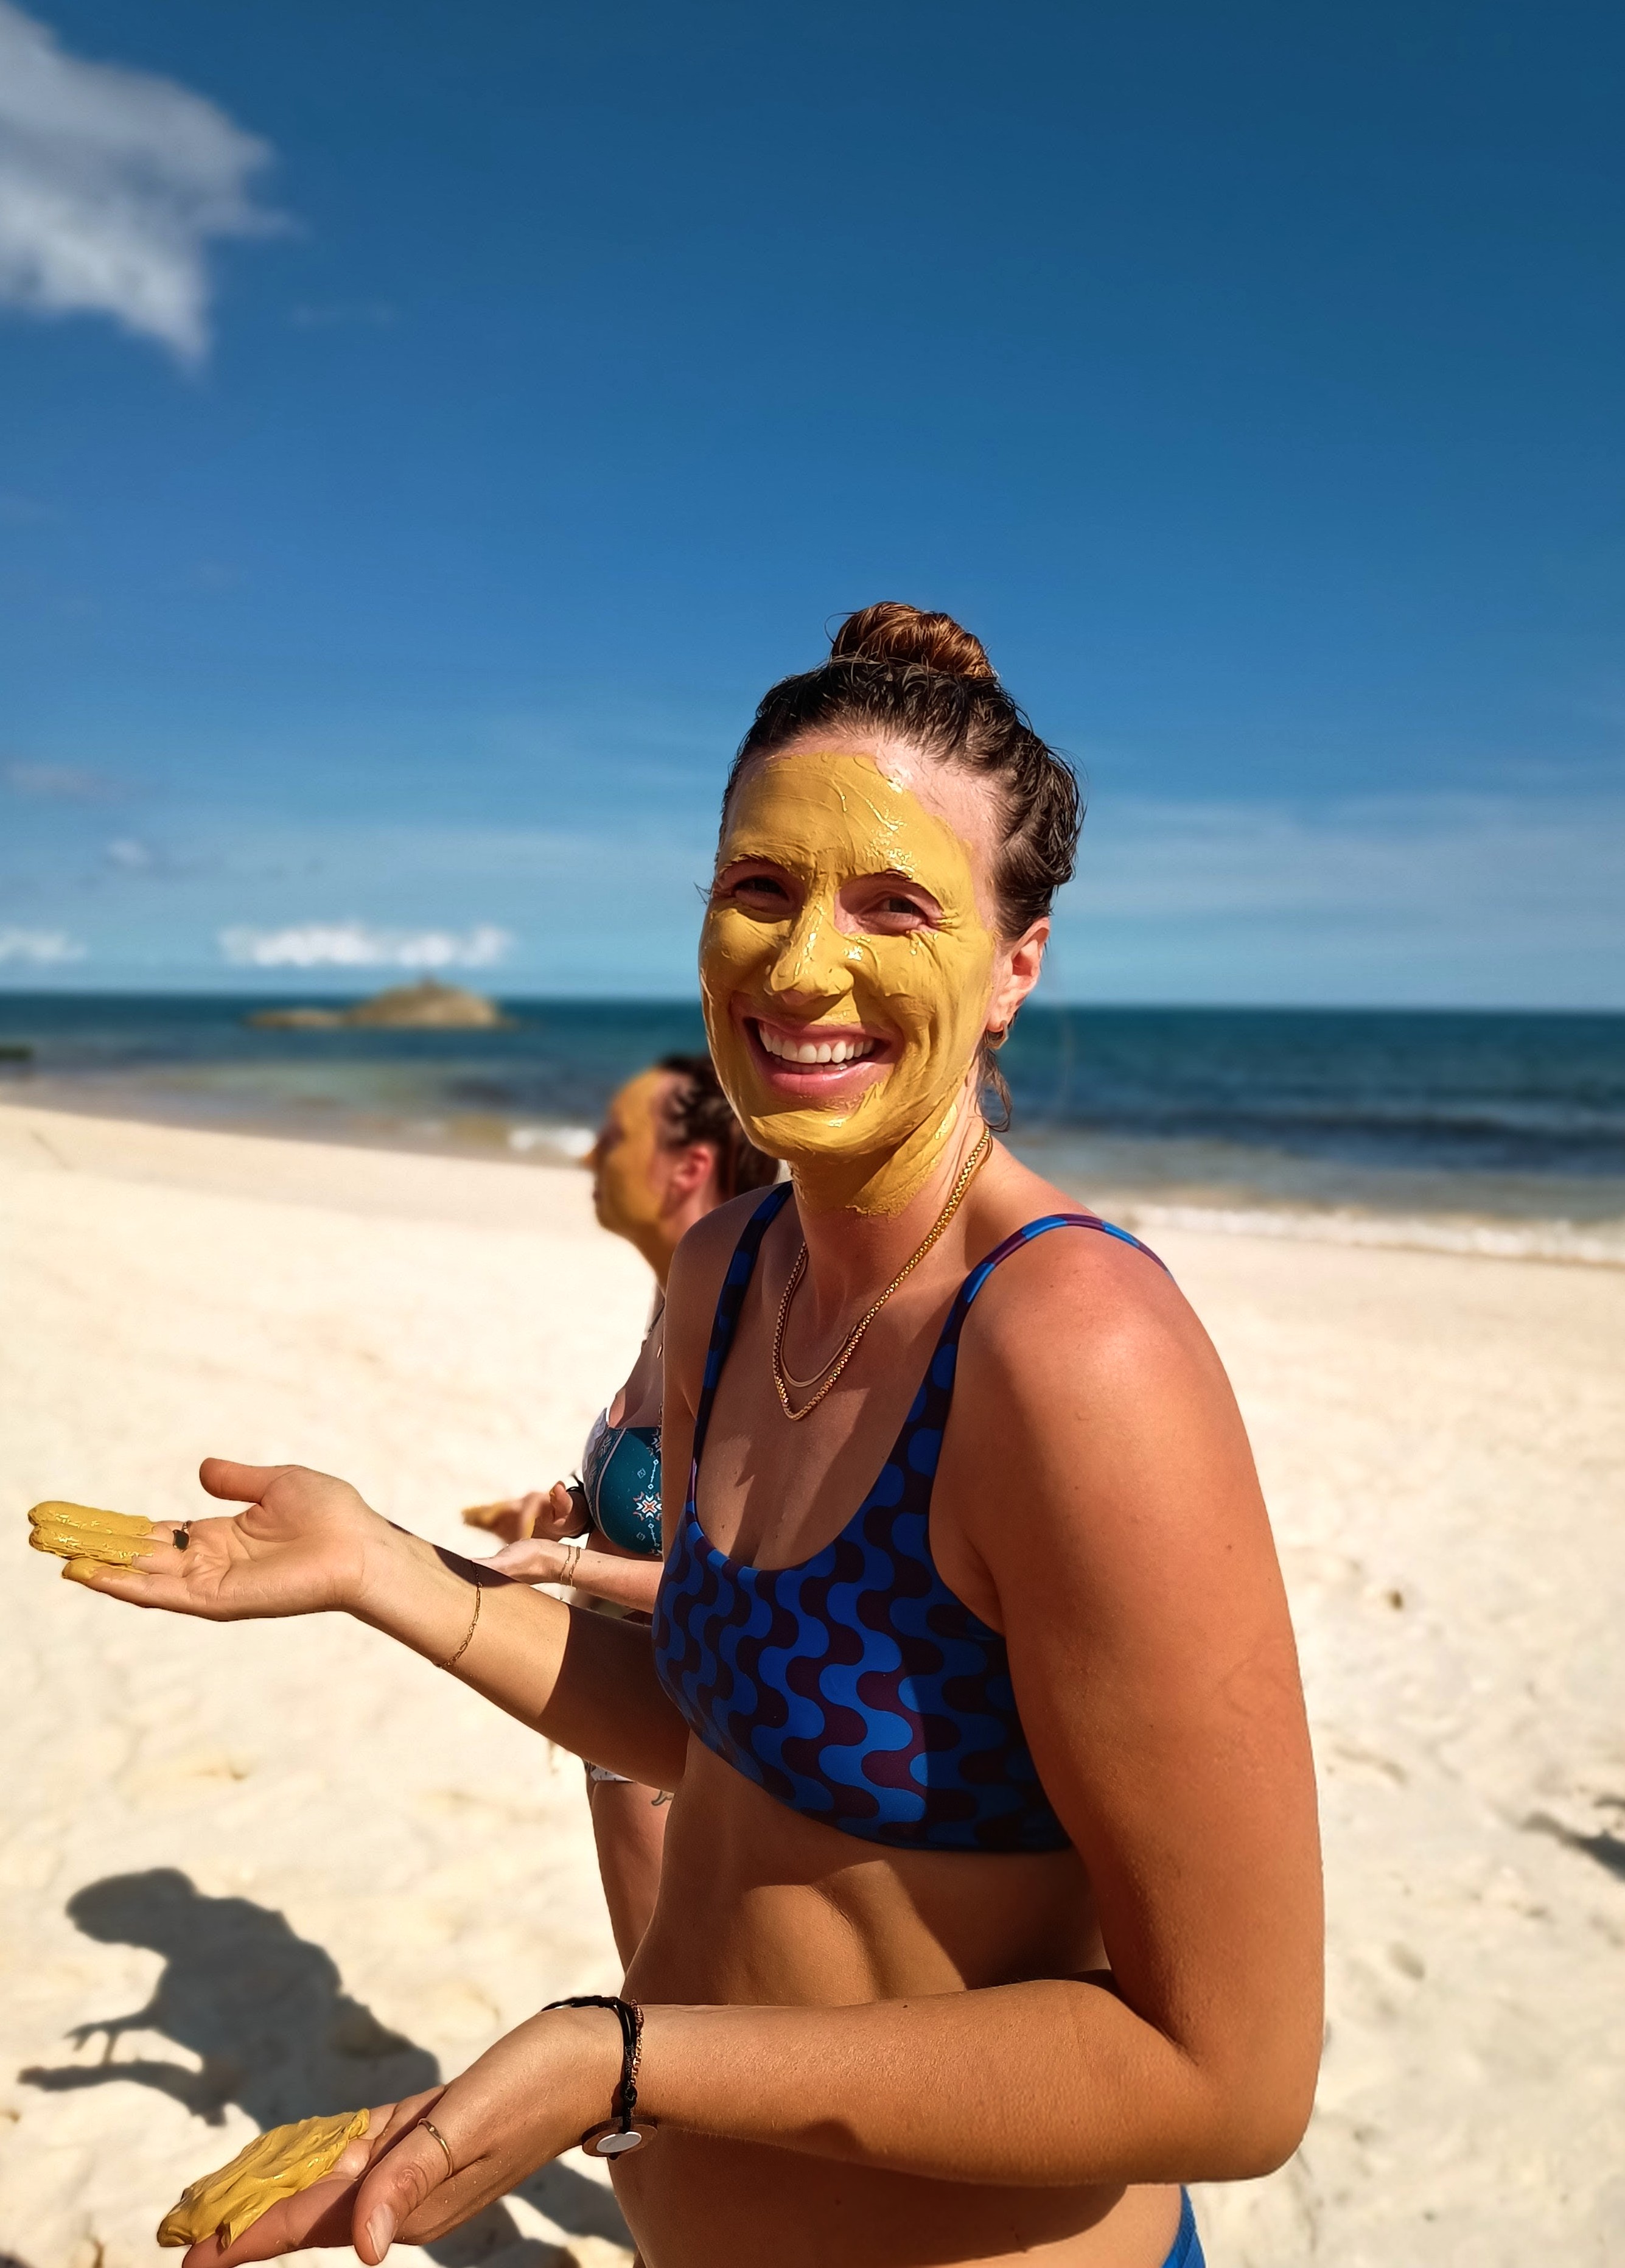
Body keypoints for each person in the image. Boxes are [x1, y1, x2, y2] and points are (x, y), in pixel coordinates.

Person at [70, 603, 1322, 2268]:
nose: (805, 966)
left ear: (1016, 964)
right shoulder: (731, 1274)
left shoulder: (1070, 1349)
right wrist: (387, 1566)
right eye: (760, 890)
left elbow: (1230, 2078)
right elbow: (728, 1737)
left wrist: (620, 2056)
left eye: (894, 905)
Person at [463, 1054, 776, 1961]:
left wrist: (557, 1566)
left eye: (613, 1136)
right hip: (619, 1717)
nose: (589, 1157)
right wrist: (571, 1504)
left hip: (677, 1736)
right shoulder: (669, 1292)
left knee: (672, 2022)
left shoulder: (737, 1315)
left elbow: (726, 1577)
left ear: (689, 1166)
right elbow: (654, 1496)